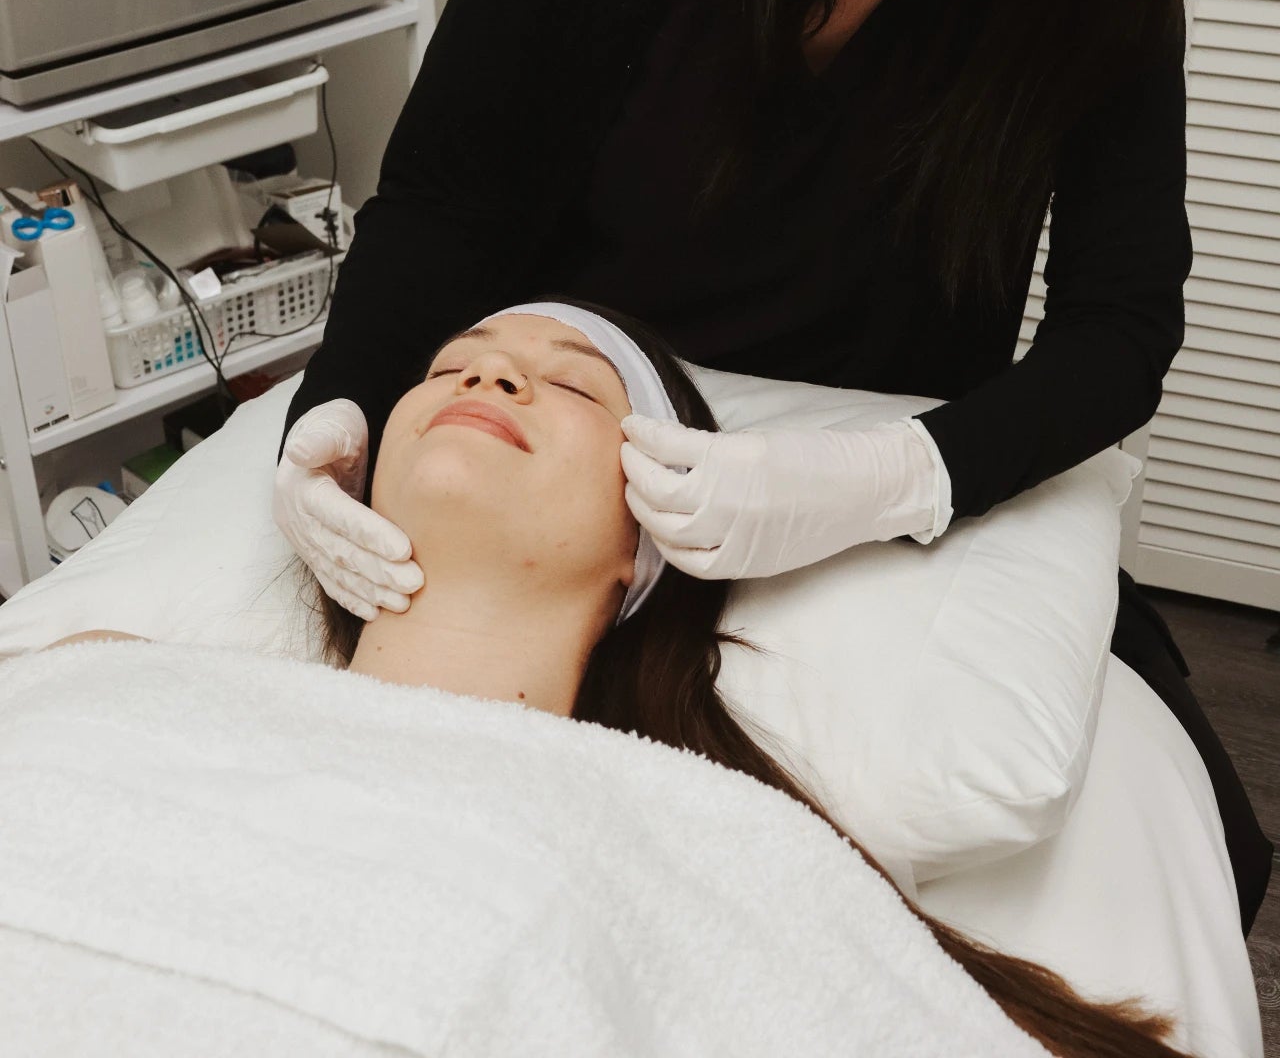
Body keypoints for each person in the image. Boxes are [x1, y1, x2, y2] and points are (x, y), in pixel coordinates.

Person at [273, 0, 1272, 931]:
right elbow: (441, 203)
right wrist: (341, 399)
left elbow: (1121, 331)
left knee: (1198, 837)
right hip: (586, 437)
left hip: (862, 469)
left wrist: (892, 480)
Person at [303, 303, 1195, 1056]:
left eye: (574, 383)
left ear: (645, 543)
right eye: (451, 366)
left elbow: (1118, 328)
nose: (486, 378)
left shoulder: (716, 858)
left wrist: (906, 472)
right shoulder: (166, 705)